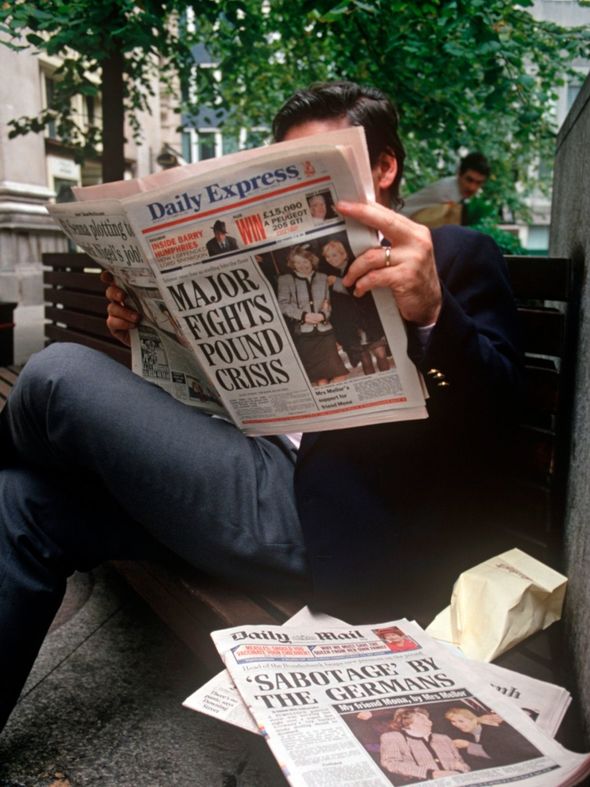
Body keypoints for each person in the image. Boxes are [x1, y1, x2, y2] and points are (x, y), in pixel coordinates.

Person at [0, 81, 522, 732]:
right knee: (23, 503)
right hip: (233, 465)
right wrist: (147, 327)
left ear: (384, 168)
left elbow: (498, 418)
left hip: (319, 516)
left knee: (55, 373)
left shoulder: (454, 256)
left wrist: (434, 317)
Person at [277, 244, 348, 385]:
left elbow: (327, 302)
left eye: (305, 261)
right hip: (305, 334)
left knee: (339, 374)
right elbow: (283, 305)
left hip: (325, 332)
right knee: (320, 378)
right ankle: (330, 402)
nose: (302, 265)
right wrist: (304, 316)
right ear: (293, 265)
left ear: (311, 261)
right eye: (297, 262)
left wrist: (323, 315)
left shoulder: (322, 278)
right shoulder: (285, 280)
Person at [320, 238, 391, 374]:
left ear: (343, 254)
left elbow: (359, 291)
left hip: (369, 321)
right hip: (352, 327)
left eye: (334, 255)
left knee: (381, 354)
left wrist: (337, 282)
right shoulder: (329, 274)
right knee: (365, 360)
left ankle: (390, 380)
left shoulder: (355, 266)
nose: (330, 259)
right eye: (328, 257)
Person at [401, 152, 490, 228]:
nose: (472, 187)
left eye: (478, 183)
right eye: (469, 180)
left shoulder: (453, 187)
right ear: (459, 173)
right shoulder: (447, 194)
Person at [380, 707, 470, 782]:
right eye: (422, 719)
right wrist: (430, 773)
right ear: (407, 722)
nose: (430, 722)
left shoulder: (443, 738)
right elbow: (391, 763)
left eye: (428, 719)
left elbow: (461, 763)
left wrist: (460, 771)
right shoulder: (393, 737)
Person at [444, 707, 540, 769]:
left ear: (473, 719)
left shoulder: (493, 731)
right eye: (453, 722)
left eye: (461, 721)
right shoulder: (475, 735)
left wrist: (468, 745)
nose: (457, 725)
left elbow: (501, 754)